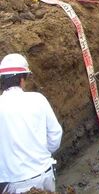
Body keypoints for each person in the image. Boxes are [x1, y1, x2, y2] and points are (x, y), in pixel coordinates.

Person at [0, 53, 63, 194]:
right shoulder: (38, 99)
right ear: (22, 79)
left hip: (13, 182)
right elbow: (55, 135)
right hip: (44, 173)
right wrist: (40, 153)